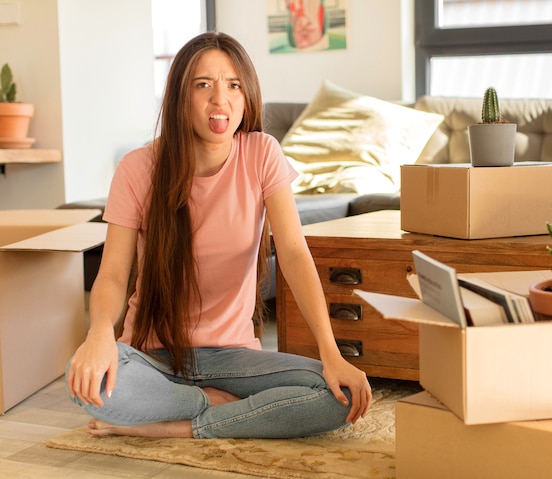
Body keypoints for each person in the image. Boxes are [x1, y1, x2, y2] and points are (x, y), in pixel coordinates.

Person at [65, 31, 372, 439]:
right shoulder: (138, 168)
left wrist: (330, 354)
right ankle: (211, 405)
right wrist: (99, 334)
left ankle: (172, 427)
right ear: (180, 96)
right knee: (85, 383)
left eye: (233, 85)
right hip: (155, 355)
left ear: (246, 96)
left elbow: (295, 255)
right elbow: (114, 274)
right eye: (203, 85)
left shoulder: (262, 153)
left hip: (234, 359)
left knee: (340, 394)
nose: (220, 99)